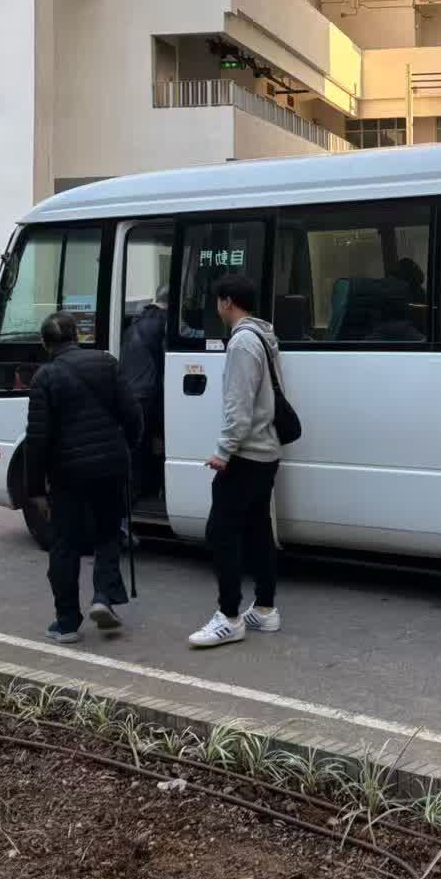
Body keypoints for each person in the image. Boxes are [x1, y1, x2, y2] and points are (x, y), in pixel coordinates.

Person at [24, 311, 140, 645]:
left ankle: (67, 623)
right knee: (108, 534)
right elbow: (133, 415)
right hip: (111, 467)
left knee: (65, 543)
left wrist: (36, 491)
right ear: (77, 335)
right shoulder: (107, 363)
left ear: (45, 343)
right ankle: (103, 597)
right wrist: (124, 449)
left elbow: (37, 440)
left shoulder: (45, 377)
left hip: (68, 474)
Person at [188, 274, 284, 649]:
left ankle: (229, 617)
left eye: (218, 301)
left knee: (221, 532)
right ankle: (264, 608)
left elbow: (239, 406)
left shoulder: (242, 342)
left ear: (226, 301)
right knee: (258, 530)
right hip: (265, 450)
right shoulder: (264, 335)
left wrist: (223, 451)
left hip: (246, 453)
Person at [118, 286, 168, 503]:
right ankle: (143, 489)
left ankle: (137, 490)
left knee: (139, 443)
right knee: (150, 443)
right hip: (148, 393)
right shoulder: (163, 322)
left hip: (131, 391)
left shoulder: (136, 322)